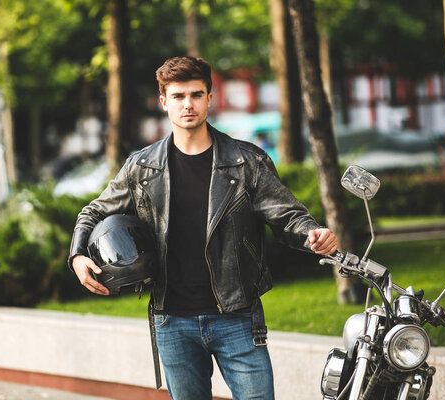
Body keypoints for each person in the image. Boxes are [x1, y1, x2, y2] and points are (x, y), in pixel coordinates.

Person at [70, 56, 338, 400]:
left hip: (237, 317)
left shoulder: (246, 162)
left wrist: (312, 233)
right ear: (163, 101)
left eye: (196, 95)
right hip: (172, 321)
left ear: (210, 98)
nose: (188, 104)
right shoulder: (142, 167)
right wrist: (78, 255)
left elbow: (287, 214)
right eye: (178, 96)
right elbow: (93, 211)